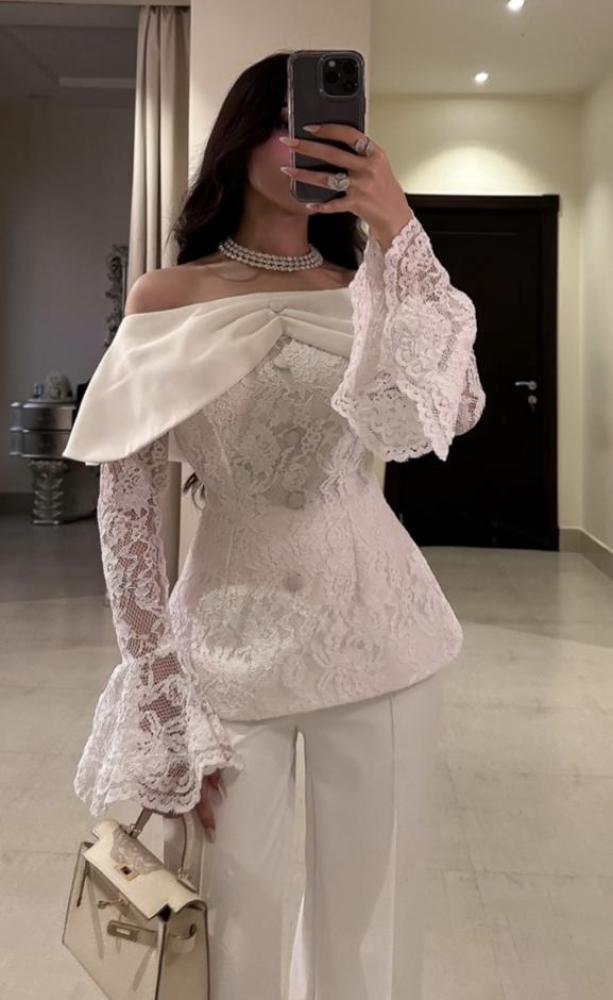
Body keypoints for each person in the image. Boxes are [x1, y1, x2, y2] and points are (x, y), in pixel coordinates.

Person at [62, 50, 486, 1000]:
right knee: (229, 917)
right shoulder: (166, 298)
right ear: (241, 139)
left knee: (367, 916)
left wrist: (399, 230)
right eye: (288, 125)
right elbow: (127, 506)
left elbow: (450, 410)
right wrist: (160, 696)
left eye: (331, 128)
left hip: (380, 638)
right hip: (225, 646)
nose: (309, 146)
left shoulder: (370, 289)